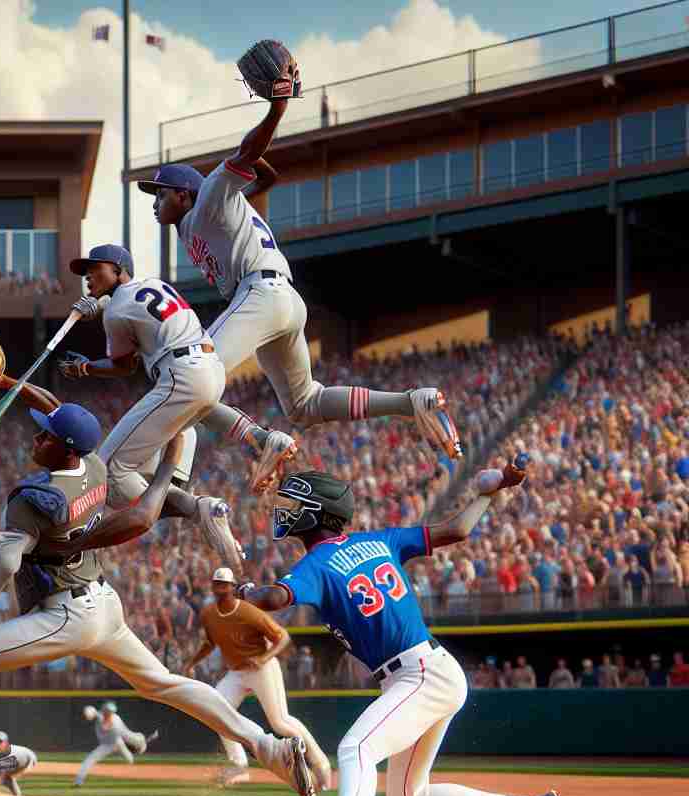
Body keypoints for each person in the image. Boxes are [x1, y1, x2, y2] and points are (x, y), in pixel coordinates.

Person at [0, 402, 317, 796]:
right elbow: (62, 414)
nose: (36, 438)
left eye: (46, 435)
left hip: (66, 614)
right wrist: (10, 388)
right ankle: (272, 749)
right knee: (163, 684)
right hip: (103, 605)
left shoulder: (32, 498)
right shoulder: (93, 467)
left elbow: (7, 561)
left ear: (68, 449)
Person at [243, 466, 588, 796]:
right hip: (429, 671)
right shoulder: (379, 540)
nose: (285, 511)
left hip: (418, 673)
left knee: (357, 747)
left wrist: (241, 592)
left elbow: (271, 598)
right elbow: (458, 530)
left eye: (294, 504)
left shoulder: (316, 564)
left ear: (315, 512)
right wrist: (488, 495)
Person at [141, 78, 459, 493]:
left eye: (160, 193)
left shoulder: (210, 198)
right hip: (282, 299)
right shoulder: (200, 217)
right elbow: (265, 178)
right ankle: (408, 402)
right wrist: (256, 168)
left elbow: (248, 155)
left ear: (184, 194)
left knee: (191, 374)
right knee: (304, 405)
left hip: (261, 294)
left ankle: (250, 443)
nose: (154, 202)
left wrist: (276, 109)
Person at [57, 243, 255, 555]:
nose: (88, 277)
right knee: (147, 471)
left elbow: (125, 366)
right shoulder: (156, 284)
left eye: (96, 269)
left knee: (106, 475)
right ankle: (193, 501)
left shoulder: (117, 310)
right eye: (86, 272)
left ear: (119, 271)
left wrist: (85, 367)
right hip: (209, 371)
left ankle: (199, 508)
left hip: (181, 378)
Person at [186, 565, 331, 789]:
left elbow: (283, 637)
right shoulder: (209, 614)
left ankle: (320, 764)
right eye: (218, 584)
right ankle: (238, 765)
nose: (222, 589)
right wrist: (192, 662)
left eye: (226, 585)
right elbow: (210, 642)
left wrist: (264, 659)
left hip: (261, 668)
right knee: (216, 712)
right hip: (237, 671)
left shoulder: (248, 612)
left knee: (280, 722)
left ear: (233, 588)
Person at [74, 701, 158, 784]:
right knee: (90, 759)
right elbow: (92, 712)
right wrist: (91, 712)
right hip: (107, 745)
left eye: (110, 712)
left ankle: (138, 773)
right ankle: (78, 781)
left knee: (131, 756)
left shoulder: (115, 721)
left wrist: (140, 741)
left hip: (117, 742)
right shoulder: (101, 715)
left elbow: (123, 733)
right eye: (107, 711)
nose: (108, 713)